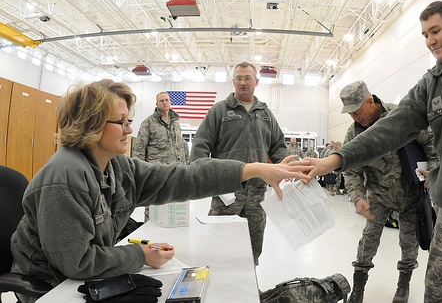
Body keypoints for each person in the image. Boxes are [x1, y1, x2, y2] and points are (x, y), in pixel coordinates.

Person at [10, 79, 312, 295]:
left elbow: (185, 177)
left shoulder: (117, 167)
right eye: (121, 122)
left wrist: (253, 169)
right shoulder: (64, 179)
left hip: (77, 276)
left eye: (129, 120)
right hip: (51, 286)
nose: (130, 129)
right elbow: (77, 262)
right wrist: (140, 256)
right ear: (91, 125)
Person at [304, 1, 442, 302]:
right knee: (437, 295)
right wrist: (335, 160)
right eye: (424, 35)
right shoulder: (430, 85)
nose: (430, 41)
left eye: (436, 31)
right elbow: (389, 129)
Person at [338, 80, 438, 303]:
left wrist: (432, 169)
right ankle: (358, 286)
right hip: (378, 195)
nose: (354, 117)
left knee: (409, 242)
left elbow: (430, 140)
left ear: (370, 100)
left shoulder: (400, 115)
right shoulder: (354, 133)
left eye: (357, 111)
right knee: (368, 240)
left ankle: (403, 285)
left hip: (412, 192)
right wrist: (357, 198)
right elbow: (351, 170)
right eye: (350, 113)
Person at [190, 62, 288, 265]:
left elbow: (278, 147)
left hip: (257, 195)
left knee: (254, 248)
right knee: (219, 245)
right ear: (233, 81)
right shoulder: (219, 111)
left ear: (256, 82)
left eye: (248, 78)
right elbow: (200, 145)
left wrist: (287, 170)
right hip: (226, 192)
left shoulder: (265, 114)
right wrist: (203, 177)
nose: (243, 82)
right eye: (239, 78)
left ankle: (249, 289)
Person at [133, 91, 186, 221]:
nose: (164, 102)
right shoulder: (148, 123)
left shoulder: (176, 122)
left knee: (174, 203)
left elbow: (180, 145)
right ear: (156, 104)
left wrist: (184, 166)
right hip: (157, 172)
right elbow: (140, 149)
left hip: (176, 171)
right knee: (153, 205)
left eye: (166, 100)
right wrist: (140, 173)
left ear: (170, 102)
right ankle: (149, 230)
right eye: (161, 100)